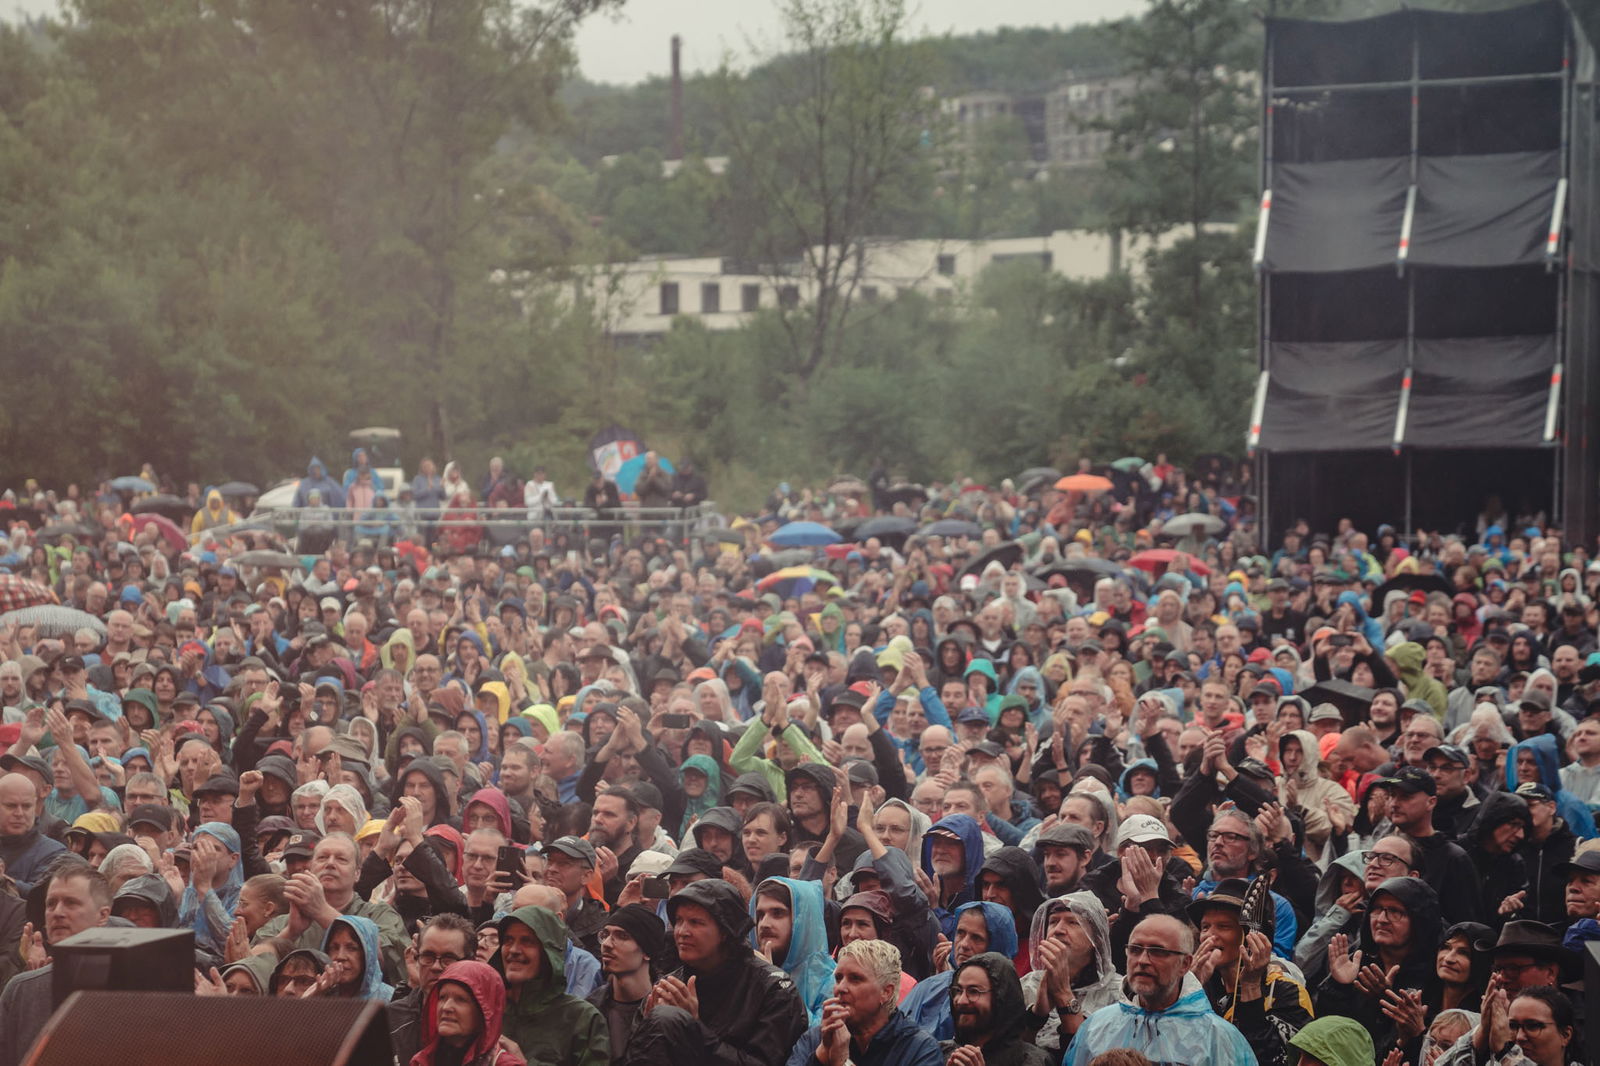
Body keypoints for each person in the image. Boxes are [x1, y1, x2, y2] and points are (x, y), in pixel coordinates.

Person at [619, 878, 808, 1066]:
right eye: (678, 920)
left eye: (695, 922)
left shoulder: (774, 989)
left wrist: (693, 1029)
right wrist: (649, 1031)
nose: (682, 931)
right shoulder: (669, 988)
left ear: (725, 930)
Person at [1063, 914, 1255, 1066]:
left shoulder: (1218, 1038)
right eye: (1135, 949)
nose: (1143, 961)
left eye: (1158, 951)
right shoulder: (1097, 1026)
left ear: (1185, 964)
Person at [1188, 878, 1313, 1066]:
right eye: (1205, 927)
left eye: (1223, 926)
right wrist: (1190, 992)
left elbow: (1274, 1060)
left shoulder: (1286, 992)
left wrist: (1251, 988)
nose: (1209, 936)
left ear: (1251, 938)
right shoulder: (1202, 985)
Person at [0, 865, 112, 1066]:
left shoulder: (133, 988)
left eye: (71, 903)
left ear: (103, 916)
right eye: (51, 904)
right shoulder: (21, 990)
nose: (57, 912)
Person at [785, 939, 942, 1066]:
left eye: (855, 979)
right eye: (838, 978)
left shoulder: (919, 1049)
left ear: (886, 992)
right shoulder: (816, 1039)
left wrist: (841, 1063)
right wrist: (821, 1057)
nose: (840, 988)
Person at [494, 905, 608, 1066]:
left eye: (527, 941)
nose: (513, 950)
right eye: (508, 940)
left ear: (549, 953)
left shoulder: (581, 1018)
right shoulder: (488, 1010)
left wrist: (523, 1063)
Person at [942, 951, 1051, 1066]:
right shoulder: (938, 1053)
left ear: (1001, 998)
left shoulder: (1033, 1061)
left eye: (974, 991)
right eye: (958, 990)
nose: (961, 1000)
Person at [752, 876, 836, 1024]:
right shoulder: (746, 973)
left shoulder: (834, 980)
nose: (764, 924)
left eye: (777, 913)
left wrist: (777, 984)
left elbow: (819, 1036)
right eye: (760, 915)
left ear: (802, 920)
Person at [410, 959, 525, 1066]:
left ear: (484, 1012)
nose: (446, 1007)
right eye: (442, 997)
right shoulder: (421, 1061)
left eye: (461, 999)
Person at [590, 903, 667, 1061]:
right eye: (605, 935)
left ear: (647, 951)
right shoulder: (591, 1008)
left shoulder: (668, 1006)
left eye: (622, 936)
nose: (607, 944)